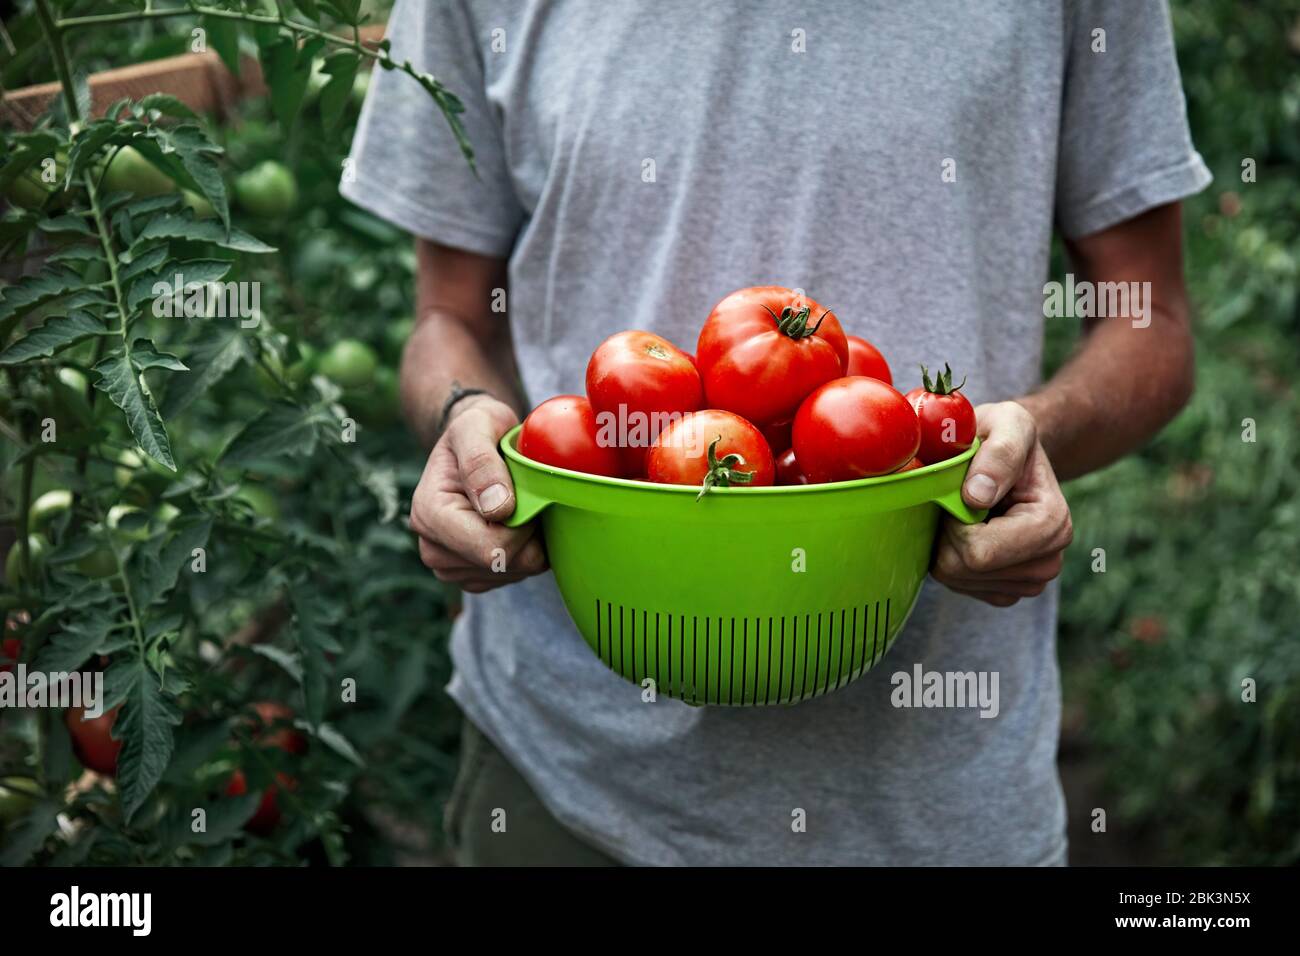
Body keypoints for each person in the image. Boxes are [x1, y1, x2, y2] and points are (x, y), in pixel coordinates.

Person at [341, 0, 1209, 866]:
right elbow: (448, 318)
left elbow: (1152, 321)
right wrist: (464, 418)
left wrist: (1026, 441)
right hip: (566, 783)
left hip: (940, 800)